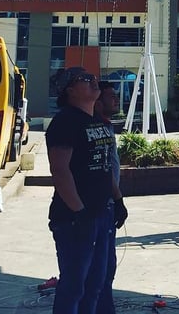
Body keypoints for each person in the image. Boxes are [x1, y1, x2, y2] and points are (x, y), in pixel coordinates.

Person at [46, 67, 126, 314]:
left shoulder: (96, 122)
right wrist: (79, 212)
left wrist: (117, 199)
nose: (93, 81)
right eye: (85, 79)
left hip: (102, 214)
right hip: (75, 219)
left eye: (93, 78)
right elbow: (60, 170)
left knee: (96, 285)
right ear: (70, 90)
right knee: (74, 286)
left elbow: (104, 166)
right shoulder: (65, 122)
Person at [94, 83, 126, 314]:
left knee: (108, 265)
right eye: (111, 96)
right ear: (97, 102)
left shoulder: (107, 126)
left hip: (108, 204)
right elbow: (103, 170)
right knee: (99, 267)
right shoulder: (94, 128)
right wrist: (118, 198)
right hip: (99, 206)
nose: (116, 100)